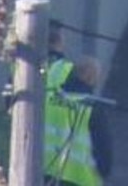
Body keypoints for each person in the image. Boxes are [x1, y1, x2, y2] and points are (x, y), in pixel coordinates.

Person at [44, 57, 112, 186]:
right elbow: (104, 151)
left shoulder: (48, 99)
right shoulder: (93, 108)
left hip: (44, 174)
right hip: (80, 179)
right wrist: (104, 173)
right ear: (89, 78)